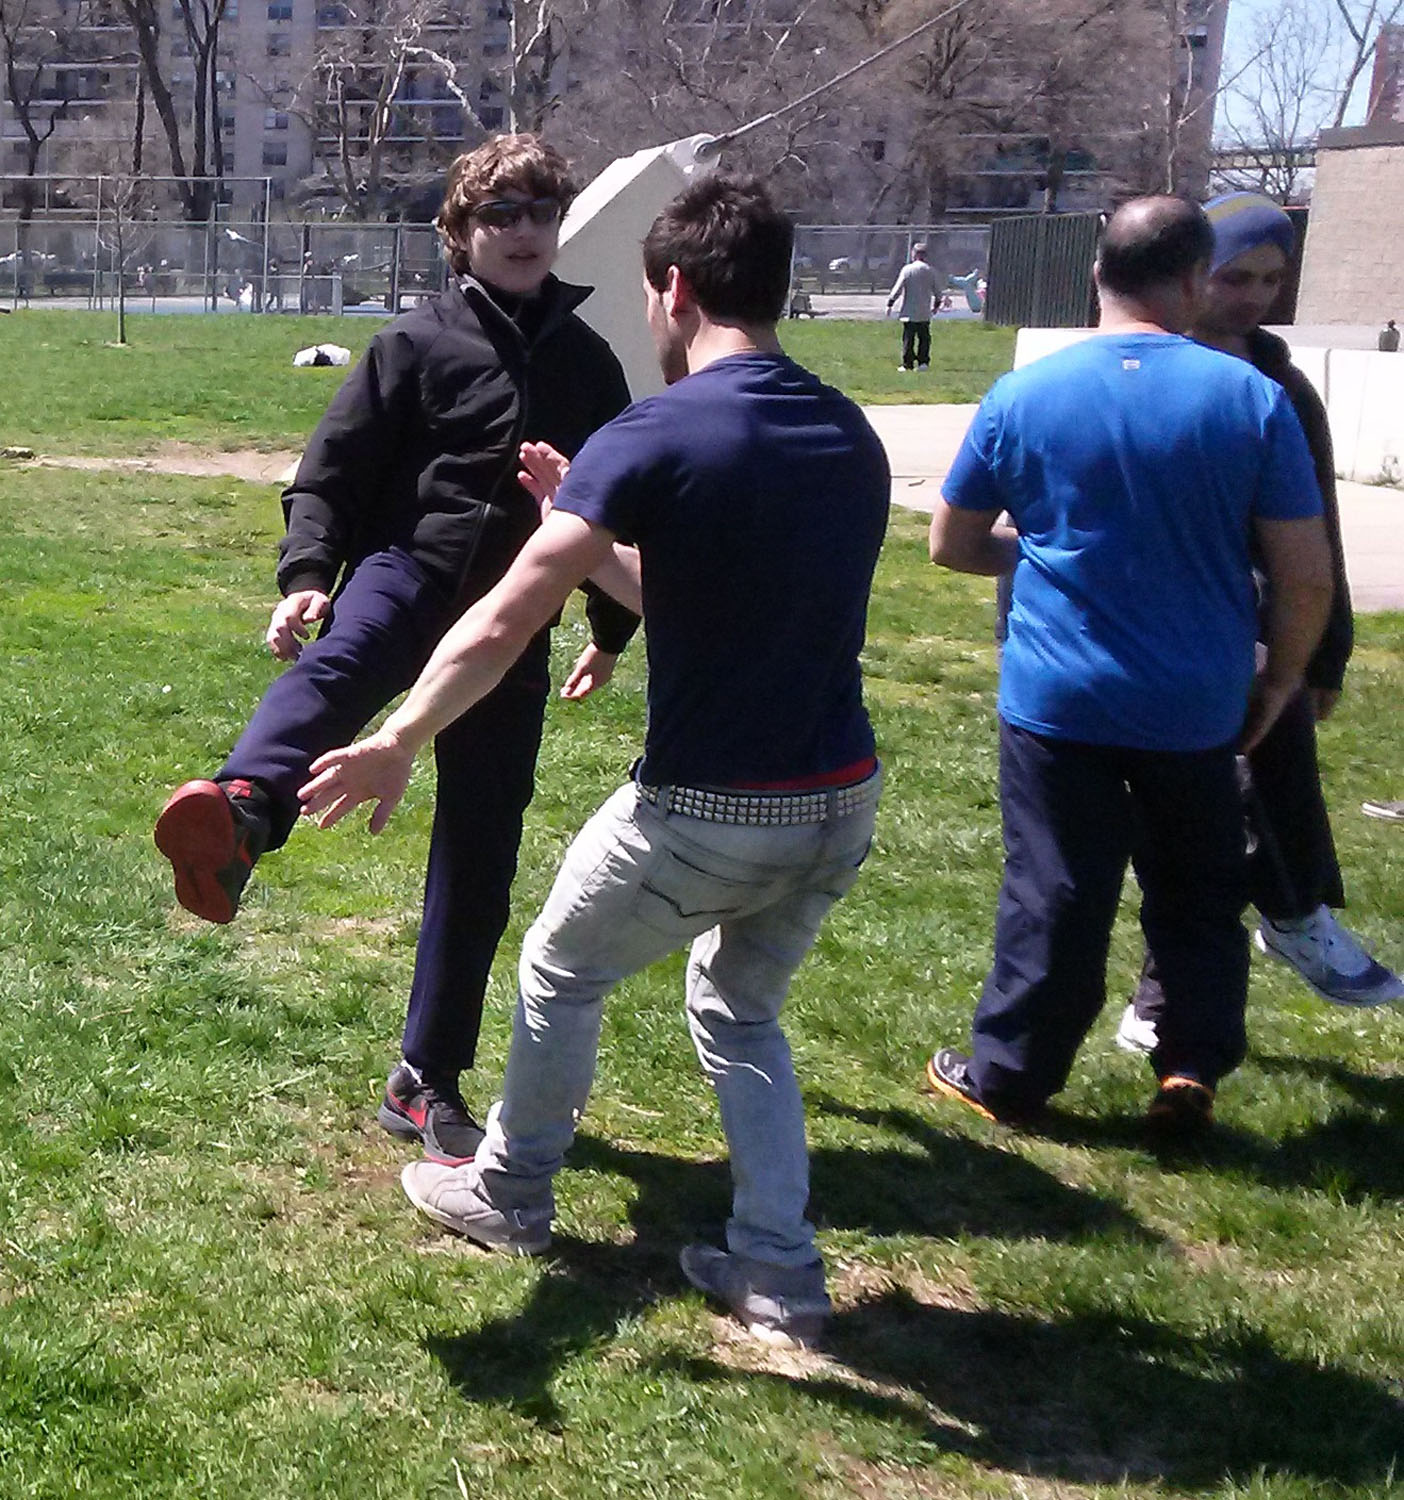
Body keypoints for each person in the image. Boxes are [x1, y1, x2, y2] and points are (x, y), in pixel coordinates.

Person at [298, 175, 890, 1346]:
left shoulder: (660, 428)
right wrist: (590, 523)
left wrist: (400, 737)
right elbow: (694, 596)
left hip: (709, 807)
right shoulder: (843, 430)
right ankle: (778, 1270)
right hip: (839, 801)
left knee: (560, 970)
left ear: (675, 290)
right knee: (740, 1013)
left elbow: (509, 614)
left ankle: (509, 1192)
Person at [154, 134, 637, 1166]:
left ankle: (427, 1077)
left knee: (482, 843)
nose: (524, 230)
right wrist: (306, 575)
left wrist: (609, 630)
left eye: (541, 212)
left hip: (515, 612)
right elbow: (329, 473)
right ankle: (242, 813)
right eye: (500, 214)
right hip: (406, 571)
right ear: (459, 234)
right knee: (336, 666)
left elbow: (617, 508)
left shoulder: (591, 365)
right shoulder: (413, 344)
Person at [922, 197, 1334, 1136]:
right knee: (1199, 889)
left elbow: (951, 543)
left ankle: (1012, 1074)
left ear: (1096, 275)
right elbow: (1305, 575)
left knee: (1056, 887)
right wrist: (1281, 680)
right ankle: (1189, 1064)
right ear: (1193, 280)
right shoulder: (1251, 399)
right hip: (1196, 697)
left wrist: (1039, 553)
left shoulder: (1025, 393)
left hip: (1059, 694)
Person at [1116, 193, 1401, 1054]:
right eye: (1235, 277)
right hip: (1163, 635)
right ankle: (1261, 931)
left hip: (1267, 634)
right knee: (1203, 814)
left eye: (1272, 280)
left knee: (1258, 783)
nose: (1254, 298)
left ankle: (1275, 925)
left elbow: (1319, 539)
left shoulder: (1285, 388)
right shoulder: (1139, 373)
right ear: (1192, 274)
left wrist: (1324, 657)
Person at [886, 242, 938, 371]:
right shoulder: (930, 270)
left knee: (908, 338)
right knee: (924, 337)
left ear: (914, 254)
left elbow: (898, 288)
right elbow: (938, 291)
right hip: (924, 311)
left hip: (909, 311)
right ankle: (923, 363)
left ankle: (907, 364)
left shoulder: (907, 269)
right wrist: (936, 305)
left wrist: (890, 302)